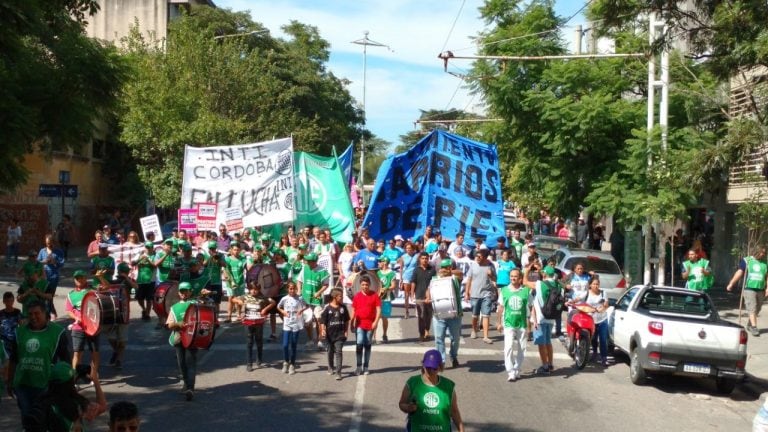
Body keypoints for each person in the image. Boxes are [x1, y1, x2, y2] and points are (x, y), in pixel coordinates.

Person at [7, 301, 70, 421]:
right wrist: (10, 381)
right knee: (27, 418)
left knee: (43, 418)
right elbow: (14, 359)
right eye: (30, 314)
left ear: (45, 313)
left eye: (37, 313)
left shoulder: (57, 332)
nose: (33, 317)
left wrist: (67, 385)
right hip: (22, 385)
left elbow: (65, 361)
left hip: (46, 385)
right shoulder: (20, 332)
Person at [23, 361, 107, 431]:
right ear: (70, 384)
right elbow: (102, 407)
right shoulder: (78, 404)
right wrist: (96, 381)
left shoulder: (42, 402)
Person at [398, 349, 464, 432]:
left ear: (440, 367)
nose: (431, 371)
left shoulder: (448, 386)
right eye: (428, 367)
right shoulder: (412, 383)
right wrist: (408, 407)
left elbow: (454, 411)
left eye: (434, 368)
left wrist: (461, 430)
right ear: (423, 365)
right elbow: (401, 404)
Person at [96, 262, 136, 369]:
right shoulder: (112, 281)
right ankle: (116, 351)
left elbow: (136, 287)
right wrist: (100, 280)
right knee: (111, 338)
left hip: (124, 314)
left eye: (125, 272)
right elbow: (105, 286)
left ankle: (119, 360)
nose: (122, 273)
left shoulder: (128, 281)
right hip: (111, 313)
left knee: (122, 341)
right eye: (122, 272)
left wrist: (126, 278)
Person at [426, 259, 463, 368]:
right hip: (439, 314)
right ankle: (441, 360)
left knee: (455, 338)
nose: (443, 269)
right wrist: (428, 298)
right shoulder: (434, 279)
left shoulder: (455, 278)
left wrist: (450, 272)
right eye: (442, 267)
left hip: (455, 314)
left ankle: (453, 356)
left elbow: (460, 274)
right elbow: (429, 290)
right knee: (439, 338)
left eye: (446, 267)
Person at [523, 266, 560, 375]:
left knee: (541, 343)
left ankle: (545, 366)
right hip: (551, 317)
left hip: (540, 317)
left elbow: (525, 281)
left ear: (544, 274)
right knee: (548, 342)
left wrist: (527, 270)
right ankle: (550, 364)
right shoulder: (558, 285)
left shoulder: (539, 284)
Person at [496, 268, 531, 382]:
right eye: (511, 276)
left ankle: (517, 369)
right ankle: (510, 371)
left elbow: (529, 308)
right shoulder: (504, 290)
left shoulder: (526, 291)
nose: (513, 278)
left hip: (521, 323)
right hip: (508, 323)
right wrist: (498, 322)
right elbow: (500, 308)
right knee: (508, 347)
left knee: (522, 348)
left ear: (520, 278)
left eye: (515, 276)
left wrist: (529, 324)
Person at [66, 270, 101, 381]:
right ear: (74, 280)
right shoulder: (71, 295)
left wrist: (100, 277)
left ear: (86, 278)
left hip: (93, 327)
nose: (79, 280)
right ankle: (74, 377)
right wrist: (76, 318)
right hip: (78, 328)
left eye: (81, 277)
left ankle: (93, 375)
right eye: (77, 278)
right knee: (77, 353)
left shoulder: (92, 290)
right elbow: (68, 310)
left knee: (95, 352)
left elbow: (106, 287)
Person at [726, 246, 768, 337]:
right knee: (751, 307)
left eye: (764, 253)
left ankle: (750, 324)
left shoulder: (765, 263)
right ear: (756, 251)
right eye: (762, 252)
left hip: (761, 289)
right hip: (749, 288)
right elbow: (740, 272)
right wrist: (731, 283)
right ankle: (754, 327)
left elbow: (767, 276)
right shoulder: (747, 260)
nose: (763, 254)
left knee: (758, 308)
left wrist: (767, 288)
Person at [166, 282, 197, 401]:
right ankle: (186, 383)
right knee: (181, 363)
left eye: (186, 291)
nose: (184, 293)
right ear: (179, 293)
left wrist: (205, 296)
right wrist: (178, 324)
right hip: (179, 338)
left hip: (192, 338)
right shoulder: (174, 307)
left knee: (191, 363)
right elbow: (169, 325)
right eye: (182, 291)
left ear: (191, 292)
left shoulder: (196, 304)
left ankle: (190, 388)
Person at [235, 281, 276, 371]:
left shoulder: (262, 297)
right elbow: (234, 299)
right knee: (249, 342)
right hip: (248, 322)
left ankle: (259, 359)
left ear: (258, 290)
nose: (254, 291)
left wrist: (265, 309)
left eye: (256, 290)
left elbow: (273, 302)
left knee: (259, 341)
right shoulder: (245, 296)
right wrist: (240, 302)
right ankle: (249, 363)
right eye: (252, 289)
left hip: (259, 322)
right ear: (249, 289)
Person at [573, 275, 609, 366]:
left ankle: (604, 358)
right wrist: (571, 302)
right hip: (591, 320)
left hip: (602, 319)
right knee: (592, 338)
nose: (596, 286)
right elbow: (578, 299)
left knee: (603, 339)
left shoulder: (603, 293)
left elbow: (606, 304)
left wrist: (603, 307)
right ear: (590, 285)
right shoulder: (586, 293)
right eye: (594, 284)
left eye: (597, 284)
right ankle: (594, 353)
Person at [296, 252, 329, 349]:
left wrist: (318, 292)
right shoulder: (305, 268)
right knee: (307, 320)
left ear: (314, 261)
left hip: (317, 300)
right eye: (307, 261)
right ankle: (310, 339)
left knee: (319, 319)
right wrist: (299, 290)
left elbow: (326, 284)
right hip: (306, 298)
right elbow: (299, 280)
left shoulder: (322, 271)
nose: (307, 262)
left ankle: (320, 341)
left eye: (309, 261)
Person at [350, 275, 381, 375]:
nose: (365, 286)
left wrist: (375, 322)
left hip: (370, 324)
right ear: (360, 285)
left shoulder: (374, 295)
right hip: (359, 324)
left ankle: (366, 366)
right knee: (359, 343)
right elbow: (353, 310)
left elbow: (378, 309)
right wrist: (351, 322)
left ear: (370, 285)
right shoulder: (357, 296)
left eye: (366, 285)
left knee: (367, 345)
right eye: (363, 285)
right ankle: (358, 367)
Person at [465, 248, 497, 344]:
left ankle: (486, 336)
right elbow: (469, 280)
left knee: (486, 314)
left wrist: (491, 275)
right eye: (476, 256)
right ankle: (474, 330)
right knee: (475, 315)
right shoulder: (473, 266)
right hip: (475, 294)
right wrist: (467, 293)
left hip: (487, 294)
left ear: (485, 257)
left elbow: (495, 278)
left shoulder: (491, 266)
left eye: (479, 256)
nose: (477, 258)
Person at [276, 281, 308, 375]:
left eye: (294, 288)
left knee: (293, 344)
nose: (292, 290)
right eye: (290, 289)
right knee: (285, 345)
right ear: (287, 289)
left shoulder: (300, 298)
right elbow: (278, 307)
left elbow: (306, 306)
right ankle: (286, 362)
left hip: (296, 323)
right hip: (287, 323)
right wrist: (283, 312)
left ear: (296, 289)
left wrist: (301, 311)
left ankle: (292, 364)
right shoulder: (284, 298)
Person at [319, 287, 350, 380]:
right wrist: (323, 330)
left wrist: (346, 331)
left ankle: (338, 372)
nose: (342, 298)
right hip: (329, 335)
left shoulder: (343, 308)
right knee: (330, 351)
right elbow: (322, 321)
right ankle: (330, 366)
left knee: (339, 352)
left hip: (339, 335)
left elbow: (347, 320)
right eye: (340, 296)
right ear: (335, 297)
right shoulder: (327, 308)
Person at [38, 234, 65, 320]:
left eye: (50, 243)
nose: (48, 245)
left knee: (49, 296)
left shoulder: (59, 251)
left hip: (53, 276)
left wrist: (54, 262)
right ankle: (52, 313)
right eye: (47, 243)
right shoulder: (42, 251)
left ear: (53, 242)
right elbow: (37, 263)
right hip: (43, 276)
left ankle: (49, 315)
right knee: (45, 296)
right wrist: (44, 261)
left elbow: (61, 264)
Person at [413, 253, 436, 342]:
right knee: (421, 316)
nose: (424, 260)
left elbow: (435, 283)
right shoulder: (416, 270)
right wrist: (412, 294)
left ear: (428, 259)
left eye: (426, 258)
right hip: (419, 296)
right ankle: (421, 333)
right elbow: (413, 282)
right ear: (420, 259)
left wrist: (431, 295)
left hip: (430, 296)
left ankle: (427, 330)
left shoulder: (432, 270)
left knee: (428, 316)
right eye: (423, 258)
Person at [0, 291, 22, 385]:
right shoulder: (1, 313)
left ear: (13, 301)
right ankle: (6, 379)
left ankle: (11, 377)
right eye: (7, 301)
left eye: (11, 301)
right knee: (6, 360)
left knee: (14, 360)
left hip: (14, 340)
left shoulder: (17, 312)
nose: (9, 303)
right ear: (4, 301)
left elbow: (21, 324)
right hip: (3, 341)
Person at [132, 242, 156, 321]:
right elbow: (132, 263)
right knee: (139, 298)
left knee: (149, 299)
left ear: (152, 248)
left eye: (149, 247)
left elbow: (155, 265)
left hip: (151, 280)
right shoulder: (140, 255)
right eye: (147, 247)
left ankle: (147, 314)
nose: (148, 249)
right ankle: (144, 309)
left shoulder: (155, 256)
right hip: (140, 280)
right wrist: (140, 258)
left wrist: (148, 260)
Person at [376, 256, 396, 343]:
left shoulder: (391, 273)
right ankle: (374, 337)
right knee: (375, 317)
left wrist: (386, 289)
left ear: (384, 262)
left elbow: (393, 286)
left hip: (386, 298)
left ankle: (384, 334)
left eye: (380, 261)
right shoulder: (377, 273)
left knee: (384, 318)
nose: (378, 263)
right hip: (377, 298)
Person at [398, 242, 419, 319]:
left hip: (415, 277)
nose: (408, 250)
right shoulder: (403, 257)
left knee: (416, 294)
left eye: (410, 248)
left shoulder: (416, 256)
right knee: (406, 295)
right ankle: (406, 311)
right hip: (406, 277)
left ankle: (417, 310)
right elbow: (401, 268)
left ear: (413, 249)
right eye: (407, 248)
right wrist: (400, 279)